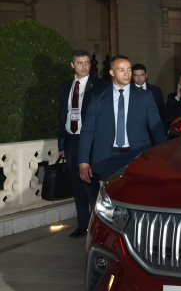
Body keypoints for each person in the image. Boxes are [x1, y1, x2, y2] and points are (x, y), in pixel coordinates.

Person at [78, 56, 166, 184]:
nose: (127, 73)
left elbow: (157, 128)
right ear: (112, 72)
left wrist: (162, 156)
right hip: (108, 158)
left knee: (136, 192)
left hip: (138, 156)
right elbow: (88, 130)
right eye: (121, 70)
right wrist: (83, 160)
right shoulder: (98, 98)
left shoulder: (145, 96)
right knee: (112, 194)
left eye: (129, 69)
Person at [57, 50, 109, 238]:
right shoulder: (66, 87)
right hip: (71, 141)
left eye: (87, 62)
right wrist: (62, 144)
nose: (84, 66)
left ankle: (99, 225)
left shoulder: (101, 85)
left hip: (91, 141)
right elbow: (62, 115)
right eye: (80, 63)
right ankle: (83, 224)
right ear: (73, 65)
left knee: (90, 183)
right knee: (77, 184)